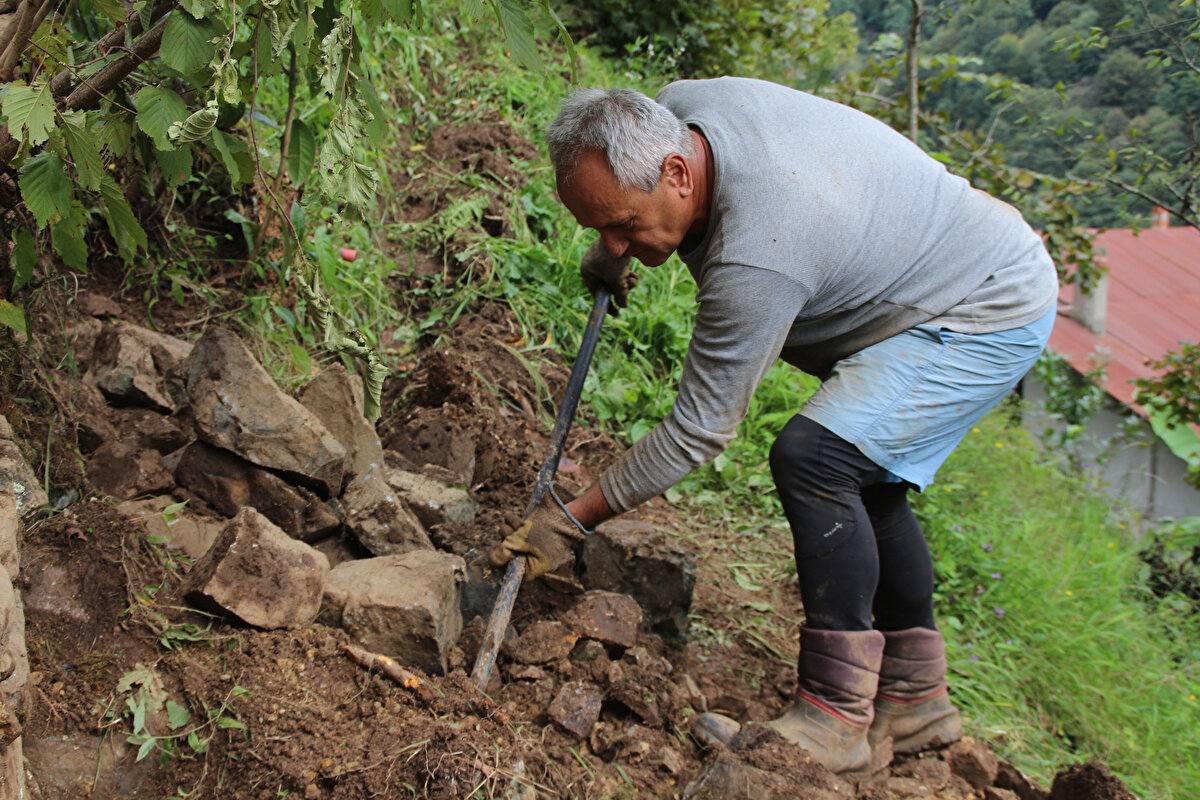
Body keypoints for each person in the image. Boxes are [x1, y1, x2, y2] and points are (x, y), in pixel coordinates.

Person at [488, 77, 1058, 774]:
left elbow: (698, 432)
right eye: (600, 226)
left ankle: (835, 719)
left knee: (818, 459)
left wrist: (569, 519)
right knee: (865, 480)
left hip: (984, 305)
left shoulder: (758, 252)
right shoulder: (677, 113)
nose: (616, 240)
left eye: (626, 226)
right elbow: (620, 200)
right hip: (949, 264)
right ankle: (913, 699)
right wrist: (609, 256)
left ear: (676, 174)